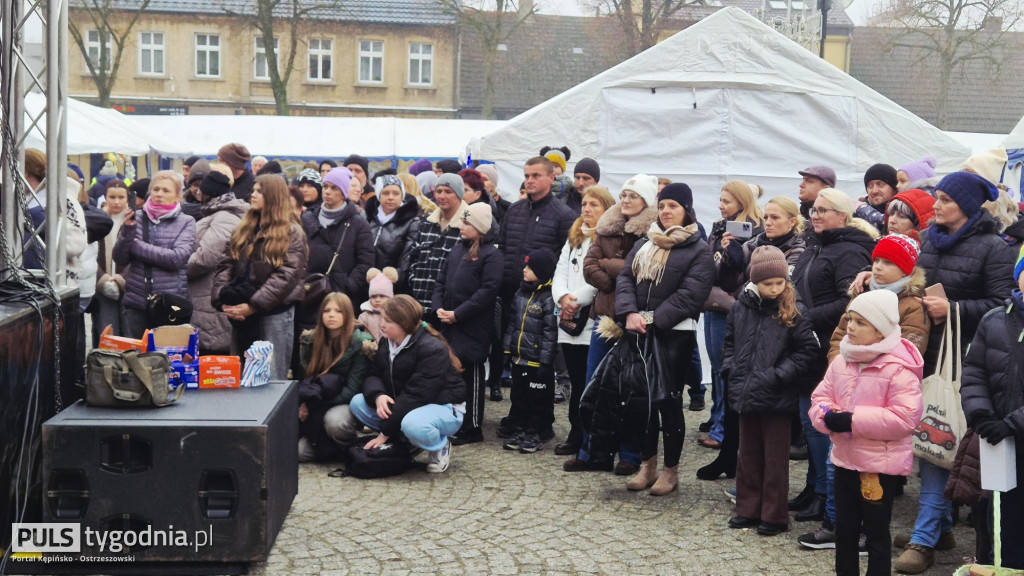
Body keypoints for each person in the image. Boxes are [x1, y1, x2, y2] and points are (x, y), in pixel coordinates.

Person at [891, 171, 1016, 574]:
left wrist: (955, 310)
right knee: (932, 441)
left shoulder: (993, 247)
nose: (937, 205)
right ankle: (941, 527)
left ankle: (924, 539)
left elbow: (1003, 305)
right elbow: (914, 282)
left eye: (945, 199)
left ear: (966, 205)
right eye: (937, 198)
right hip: (927, 354)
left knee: (938, 443)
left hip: (967, 360)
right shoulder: (927, 240)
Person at [810, 290, 924, 576]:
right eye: (850, 319)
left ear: (880, 330)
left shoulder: (899, 369)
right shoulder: (842, 361)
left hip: (878, 466)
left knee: (875, 534)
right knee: (844, 532)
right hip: (845, 460)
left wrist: (852, 420)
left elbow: (905, 417)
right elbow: (820, 398)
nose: (850, 327)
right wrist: (827, 417)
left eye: (861, 323)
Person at [698, 196, 807, 481]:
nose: (768, 222)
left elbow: (780, 289)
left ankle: (760, 481)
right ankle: (729, 457)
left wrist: (747, 271)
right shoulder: (753, 243)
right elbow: (728, 283)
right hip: (748, 326)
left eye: (775, 217)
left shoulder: (799, 248)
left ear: (792, 222)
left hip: (778, 334)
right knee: (737, 392)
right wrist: (730, 258)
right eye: (766, 217)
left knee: (767, 415)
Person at [616, 183, 714, 495]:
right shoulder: (646, 242)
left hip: (674, 334)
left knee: (667, 401)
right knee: (642, 401)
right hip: (640, 330)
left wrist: (649, 318)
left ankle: (671, 471)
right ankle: (648, 465)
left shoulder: (698, 248)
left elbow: (691, 294)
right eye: (662, 205)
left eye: (673, 205)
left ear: (687, 209)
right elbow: (625, 277)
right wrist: (629, 312)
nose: (666, 211)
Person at [789, 188, 876, 523]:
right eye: (814, 209)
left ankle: (826, 495)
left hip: (829, 344)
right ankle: (813, 486)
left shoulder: (851, 252)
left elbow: (850, 302)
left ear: (843, 215)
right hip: (805, 342)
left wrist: (807, 317)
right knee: (806, 419)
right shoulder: (816, 245)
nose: (816, 215)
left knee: (821, 425)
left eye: (824, 210)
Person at [566, 174, 658, 474]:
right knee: (593, 387)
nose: (627, 200)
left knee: (631, 392)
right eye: (624, 195)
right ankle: (591, 450)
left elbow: (639, 272)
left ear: (645, 201)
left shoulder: (653, 234)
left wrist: (614, 269)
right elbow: (591, 267)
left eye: (634, 196)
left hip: (634, 322)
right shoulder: (606, 230)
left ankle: (630, 454)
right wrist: (613, 277)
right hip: (604, 318)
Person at [723, 246, 819, 536]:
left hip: (776, 396)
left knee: (775, 459)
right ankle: (748, 508)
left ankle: (774, 515)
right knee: (747, 455)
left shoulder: (794, 308)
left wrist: (779, 375)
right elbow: (729, 341)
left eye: (780, 283)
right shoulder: (741, 306)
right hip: (745, 392)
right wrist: (730, 368)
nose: (775, 289)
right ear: (755, 281)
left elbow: (808, 349)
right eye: (769, 284)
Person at [348, 295, 467, 474]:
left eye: (387, 321)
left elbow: (417, 394)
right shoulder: (386, 343)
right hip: (408, 403)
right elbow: (373, 374)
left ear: (403, 323)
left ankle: (439, 445)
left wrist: (385, 433)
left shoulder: (431, 348)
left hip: (444, 407)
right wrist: (379, 395)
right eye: (382, 319)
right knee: (358, 403)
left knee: (413, 424)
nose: (381, 325)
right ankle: (406, 441)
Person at [959, 248, 1024, 570]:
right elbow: (973, 373)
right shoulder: (994, 319)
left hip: (1012, 430)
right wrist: (981, 414)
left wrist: (1014, 422)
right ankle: (1001, 565)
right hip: (1000, 442)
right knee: (1000, 517)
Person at [212, 174, 308, 380]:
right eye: (253, 190)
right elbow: (225, 264)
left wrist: (253, 306)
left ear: (273, 196)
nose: (253, 195)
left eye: (259, 191)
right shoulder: (244, 228)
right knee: (240, 376)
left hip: (274, 313)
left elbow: (286, 276)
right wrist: (222, 298)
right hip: (241, 311)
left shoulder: (292, 232)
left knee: (271, 379)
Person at [701, 180, 765, 450]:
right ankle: (718, 421)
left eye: (726, 201)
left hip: (736, 307)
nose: (720, 205)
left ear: (741, 202)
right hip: (713, 305)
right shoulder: (719, 229)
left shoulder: (756, 234)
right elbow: (708, 265)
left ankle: (723, 430)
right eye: (720, 199)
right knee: (717, 367)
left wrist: (731, 252)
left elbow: (736, 275)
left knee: (727, 369)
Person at [552, 185, 615, 457]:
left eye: (594, 205)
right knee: (577, 381)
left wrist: (574, 300)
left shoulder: (609, 238)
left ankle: (593, 436)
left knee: (593, 382)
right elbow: (561, 270)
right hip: (568, 319)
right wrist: (561, 298)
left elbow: (602, 280)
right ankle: (576, 432)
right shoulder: (575, 236)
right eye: (585, 204)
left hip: (590, 319)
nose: (586, 209)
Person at [433, 203, 503, 445]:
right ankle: (454, 421)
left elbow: (487, 292)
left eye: (467, 223)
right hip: (450, 324)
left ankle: (472, 427)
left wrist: (459, 314)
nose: (461, 227)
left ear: (480, 227)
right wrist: (438, 307)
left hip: (473, 326)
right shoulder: (456, 249)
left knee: (472, 376)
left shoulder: (491, 255)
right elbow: (441, 280)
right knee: (452, 374)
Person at [298, 166, 374, 375]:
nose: (327, 191)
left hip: (341, 301)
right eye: (325, 186)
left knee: (336, 357)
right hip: (310, 295)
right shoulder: (307, 219)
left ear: (343, 191)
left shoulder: (358, 223)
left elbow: (365, 261)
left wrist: (347, 287)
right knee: (307, 353)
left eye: (333, 187)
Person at [113, 170, 196, 338]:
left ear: (178, 196)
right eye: (156, 189)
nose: (159, 194)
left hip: (170, 303)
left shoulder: (186, 222)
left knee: (167, 356)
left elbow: (176, 258)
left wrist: (136, 246)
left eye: (166, 191)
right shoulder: (136, 217)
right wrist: (128, 232)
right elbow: (120, 258)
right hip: (137, 301)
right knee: (137, 357)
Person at [297, 292, 374, 462]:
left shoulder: (361, 342)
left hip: (345, 403)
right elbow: (304, 379)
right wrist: (303, 402)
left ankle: (350, 448)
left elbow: (351, 391)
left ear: (347, 314)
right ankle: (332, 450)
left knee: (335, 422)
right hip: (315, 399)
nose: (331, 315)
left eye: (338, 311)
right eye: (327, 310)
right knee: (299, 453)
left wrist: (312, 405)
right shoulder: (309, 340)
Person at [498, 248, 559, 453]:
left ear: (541, 271)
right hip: (519, 358)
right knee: (519, 396)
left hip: (537, 361)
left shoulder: (549, 298)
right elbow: (512, 324)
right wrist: (507, 350)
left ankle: (538, 430)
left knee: (539, 399)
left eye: (529, 267)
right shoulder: (520, 292)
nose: (524, 270)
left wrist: (546, 362)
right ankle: (522, 427)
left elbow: (551, 333)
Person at [187, 171, 249, 354]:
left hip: (208, 295)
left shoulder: (225, 218)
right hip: (203, 295)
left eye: (201, 192)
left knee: (212, 360)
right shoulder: (219, 214)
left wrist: (177, 269)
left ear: (208, 194)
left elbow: (207, 256)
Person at [407, 173, 471, 323]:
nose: (442, 196)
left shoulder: (469, 225)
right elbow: (413, 256)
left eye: (448, 191)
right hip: (420, 302)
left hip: (449, 308)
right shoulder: (426, 223)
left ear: (459, 195)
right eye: (438, 191)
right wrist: (414, 279)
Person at [364, 174, 422, 288]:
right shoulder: (366, 217)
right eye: (386, 193)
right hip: (365, 280)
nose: (391, 197)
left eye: (396, 193)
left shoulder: (411, 222)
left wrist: (395, 277)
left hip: (393, 283)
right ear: (378, 195)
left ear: (402, 196)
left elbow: (407, 257)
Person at [94, 179, 132, 339]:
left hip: (129, 287)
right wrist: (102, 280)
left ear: (127, 199)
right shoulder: (96, 220)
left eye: (121, 197)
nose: (116, 202)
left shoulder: (132, 221)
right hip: (103, 286)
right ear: (105, 198)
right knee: (106, 332)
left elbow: (136, 255)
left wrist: (121, 279)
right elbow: (88, 255)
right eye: (112, 197)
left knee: (128, 332)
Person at [854, 163, 900, 235]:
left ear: (894, 188)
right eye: (870, 186)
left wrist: (863, 209)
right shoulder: (856, 216)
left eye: (880, 184)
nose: (874, 191)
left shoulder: (905, 211)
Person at [359, 267, 397, 341]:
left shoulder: (395, 315)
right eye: (373, 296)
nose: (377, 300)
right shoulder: (364, 317)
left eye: (382, 296)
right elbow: (361, 336)